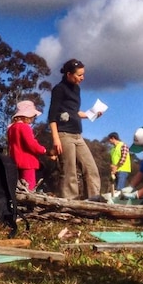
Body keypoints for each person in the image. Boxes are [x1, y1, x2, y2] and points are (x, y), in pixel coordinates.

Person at [47, 58, 101, 200]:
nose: (82, 78)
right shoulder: (59, 89)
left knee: (91, 169)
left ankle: (94, 201)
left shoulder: (76, 89)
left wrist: (91, 114)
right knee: (69, 171)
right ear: (69, 74)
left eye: (83, 74)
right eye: (79, 75)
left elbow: (74, 112)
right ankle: (70, 203)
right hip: (64, 135)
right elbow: (52, 116)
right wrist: (56, 139)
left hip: (78, 135)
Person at [7, 100, 47, 191]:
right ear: (26, 116)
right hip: (28, 163)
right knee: (29, 187)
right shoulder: (25, 127)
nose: (33, 119)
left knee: (18, 187)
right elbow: (31, 144)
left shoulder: (11, 129)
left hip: (15, 162)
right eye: (32, 116)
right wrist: (43, 150)